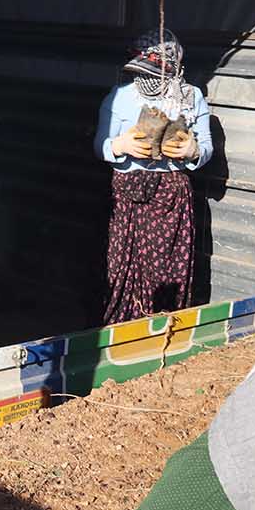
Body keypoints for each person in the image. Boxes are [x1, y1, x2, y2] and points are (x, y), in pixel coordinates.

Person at [95, 29, 214, 324]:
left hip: (171, 196)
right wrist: (118, 145)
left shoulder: (192, 98)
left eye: (155, 73)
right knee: (123, 267)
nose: (148, 80)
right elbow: (100, 145)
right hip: (128, 194)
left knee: (168, 270)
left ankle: (163, 329)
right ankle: (122, 329)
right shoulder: (120, 96)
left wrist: (192, 149)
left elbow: (207, 148)